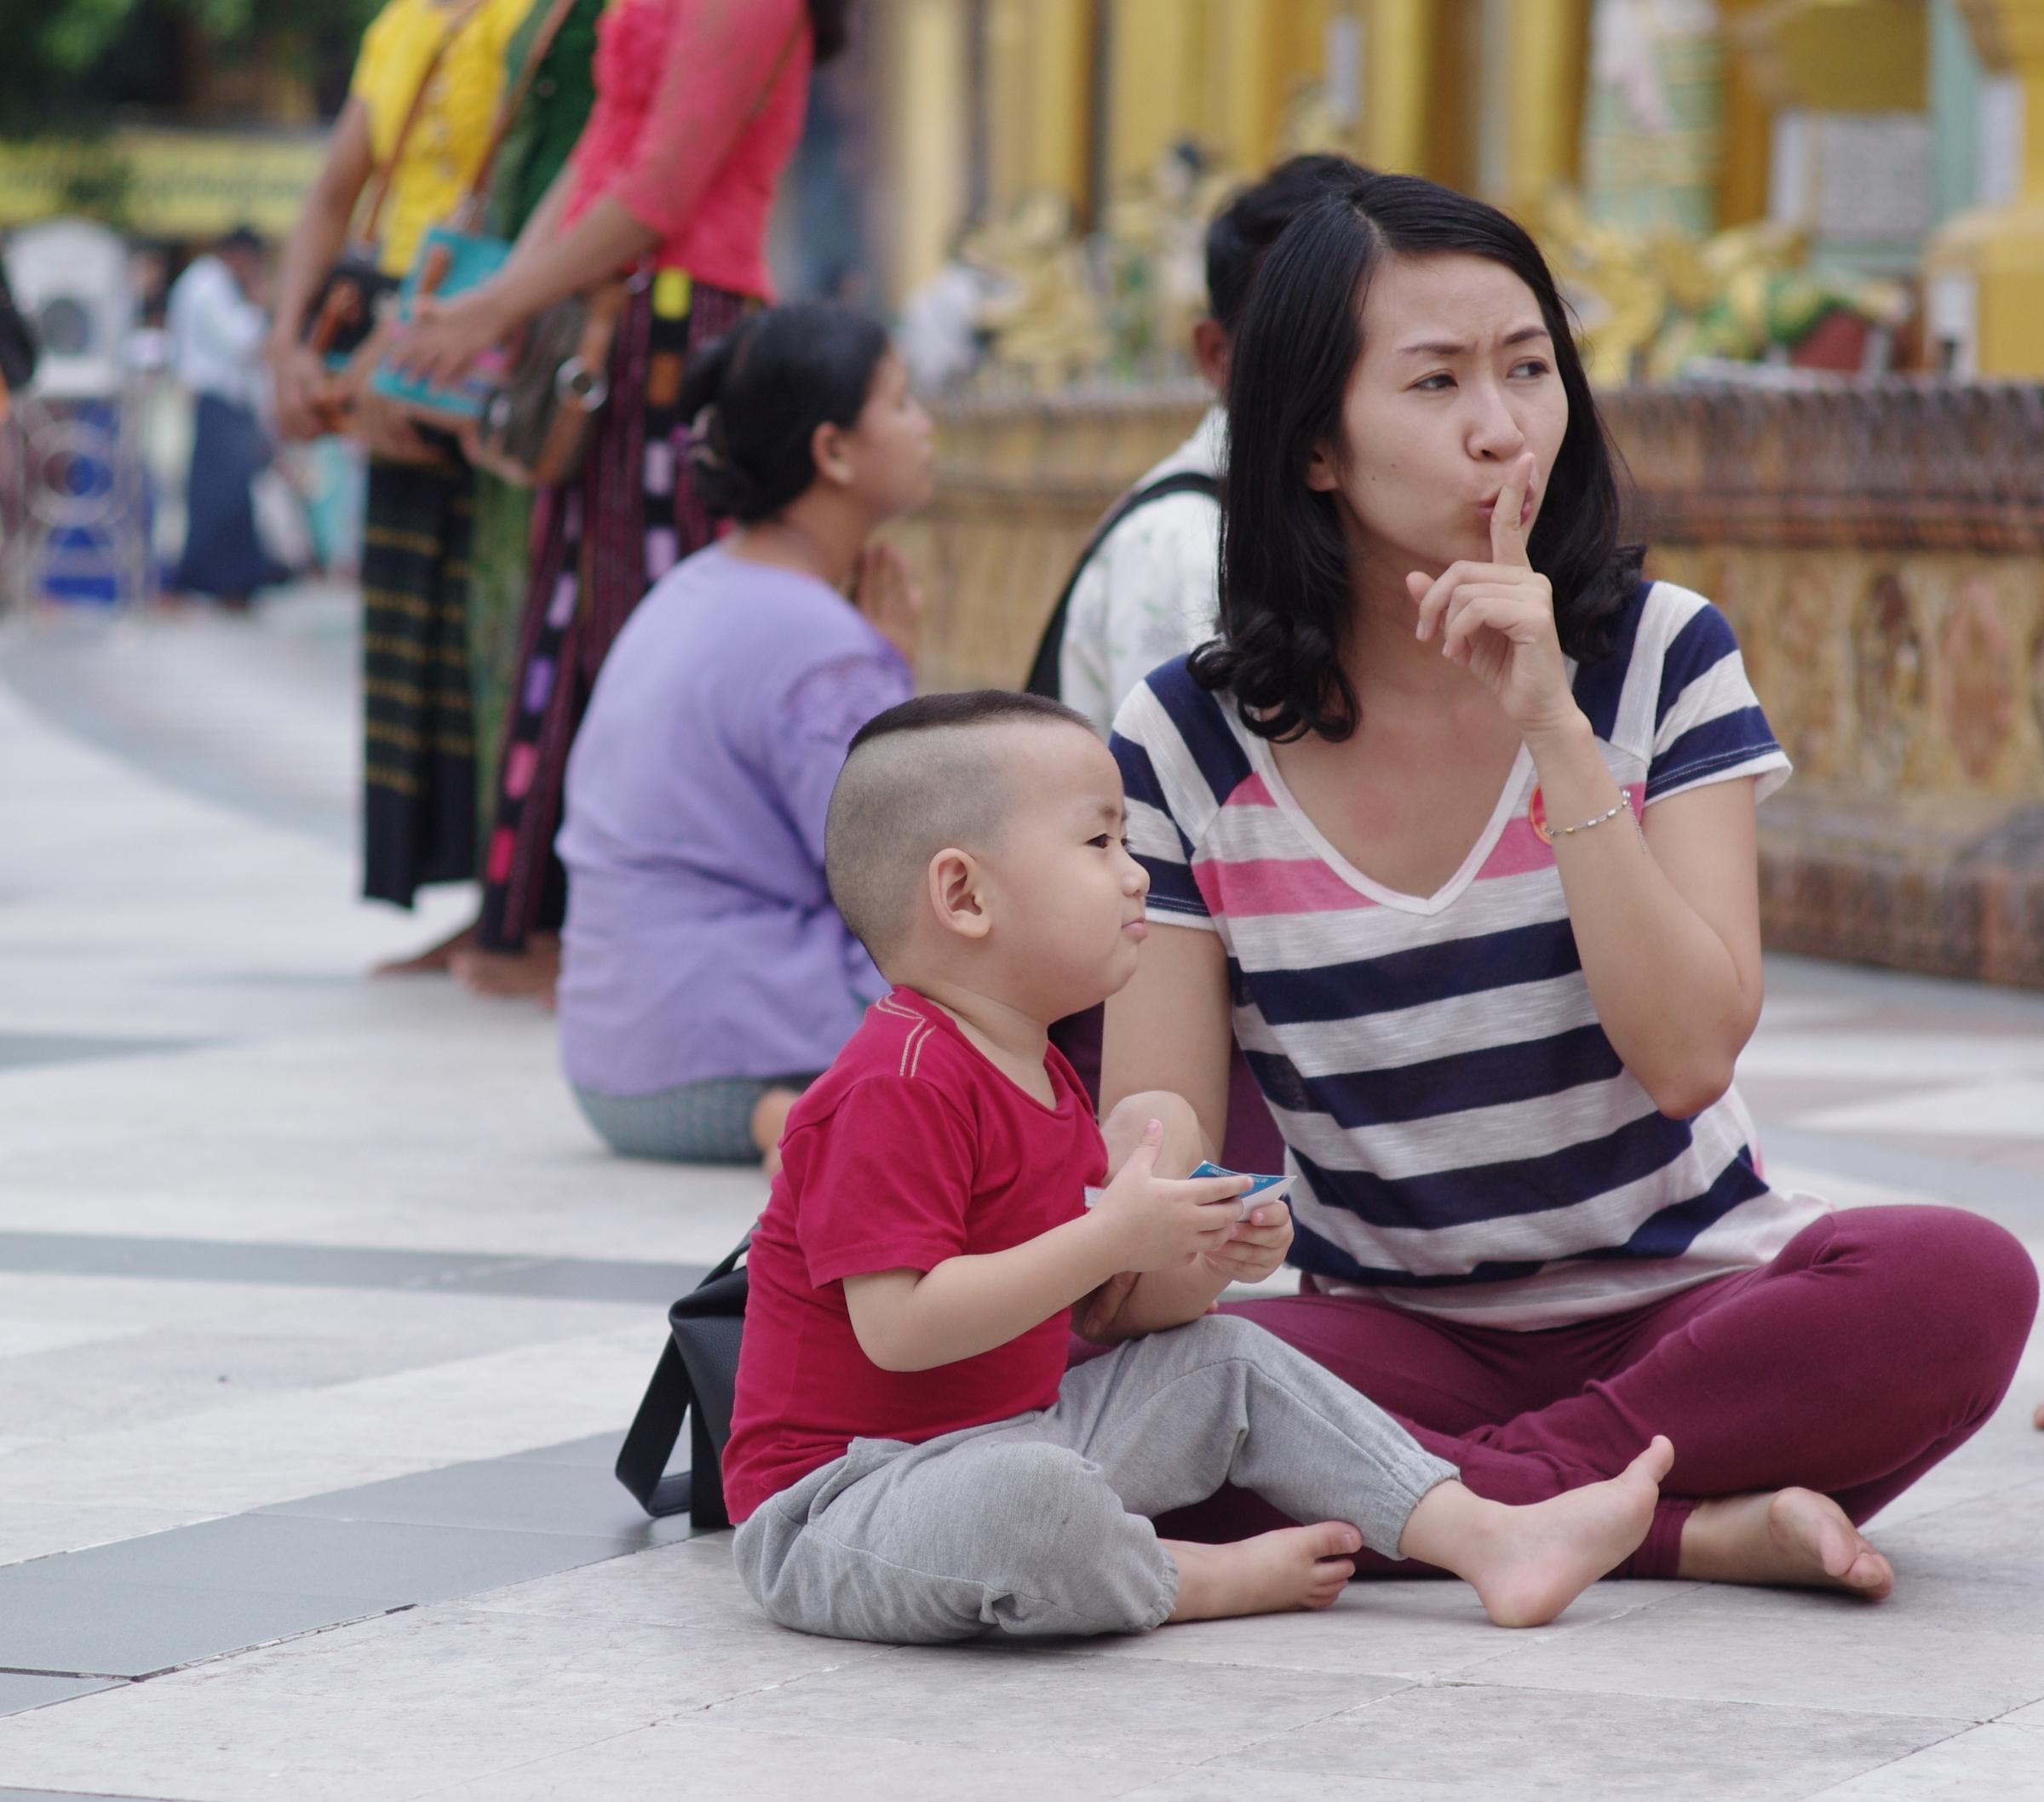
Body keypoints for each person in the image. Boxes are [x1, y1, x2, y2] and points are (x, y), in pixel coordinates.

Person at [1101, 172, 2039, 1598]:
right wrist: (1151, 1209)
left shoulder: (1662, 656)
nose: (1504, 425)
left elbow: (1685, 1056)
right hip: (1394, 1328)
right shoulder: (1185, 735)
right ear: (1313, 450)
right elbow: (1161, 1125)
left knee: (1959, 1279)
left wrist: (1555, 724)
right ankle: (1678, 1528)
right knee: (1101, 1408)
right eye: (1436, 382)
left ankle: (1472, 1506)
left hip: (1690, 1313)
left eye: (1530, 368)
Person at [721, 688, 1678, 1644]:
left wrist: (1195, 1259)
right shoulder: (898, 1079)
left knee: (1228, 1356)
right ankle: (1184, 1577)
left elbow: (1099, 1313)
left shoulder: (1042, 1074)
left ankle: (1489, 1538)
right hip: (847, 1501)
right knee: (1032, 1499)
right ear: (965, 895)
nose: (1136, 877)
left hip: (1018, 1433)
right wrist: (1108, 1232)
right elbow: (899, 1327)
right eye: (1099, 845)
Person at [392, 0, 850, 1001]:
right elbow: (602, 146)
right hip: (613, 313)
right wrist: (501, 299)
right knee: (573, 616)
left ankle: (643, 926)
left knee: (652, 618)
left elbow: (660, 191)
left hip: (686, 321)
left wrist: (499, 305)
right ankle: (545, 926)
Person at [555, 303, 925, 1167]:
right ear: (833, 451)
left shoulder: (694, 585)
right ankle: (801, 1125)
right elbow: (894, 881)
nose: (926, 427)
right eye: (903, 404)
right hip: (732, 1065)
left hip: (616, 1061)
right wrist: (889, 684)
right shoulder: (819, 643)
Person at [265, 0, 531, 923]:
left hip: (491, 327)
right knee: (413, 635)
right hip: (397, 341)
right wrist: (291, 341)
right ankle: (469, 900)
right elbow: (334, 195)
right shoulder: (404, 21)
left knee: (493, 625)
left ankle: (516, 906)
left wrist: (413, 336)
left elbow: (536, 189)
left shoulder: (536, 18)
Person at [168, 229, 288, 608]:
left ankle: (231, 580)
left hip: (223, 401)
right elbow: (242, 343)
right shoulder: (210, 284)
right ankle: (218, 580)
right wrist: (261, 303)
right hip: (217, 400)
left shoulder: (205, 281)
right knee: (222, 496)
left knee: (228, 493)